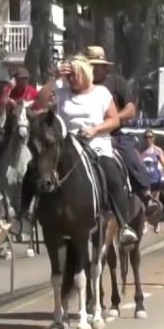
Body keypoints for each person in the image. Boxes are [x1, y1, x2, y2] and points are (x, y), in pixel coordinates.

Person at [32, 56, 137, 245]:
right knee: (37, 166)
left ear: (85, 74)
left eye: (75, 75)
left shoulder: (102, 93)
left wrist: (95, 130)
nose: (71, 79)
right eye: (69, 75)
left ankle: (124, 225)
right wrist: (55, 77)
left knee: (111, 172)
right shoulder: (61, 92)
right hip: (66, 143)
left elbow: (114, 119)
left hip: (96, 141)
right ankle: (26, 213)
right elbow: (39, 102)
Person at [85, 45, 160, 219]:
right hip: (83, 134)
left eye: (97, 65)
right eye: (90, 65)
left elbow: (131, 109)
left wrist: (113, 120)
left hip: (112, 135)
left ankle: (144, 193)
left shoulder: (116, 82)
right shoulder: (79, 85)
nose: (94, 69)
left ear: (105, 67)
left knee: (129, 156)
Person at [139, 130, 164, 231]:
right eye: (146, 137)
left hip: (155, 179)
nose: (148, 139)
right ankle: (145, 222)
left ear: (154, 139)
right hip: (145, 181)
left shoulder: (157, 150)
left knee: (156, 203)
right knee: (145, 202)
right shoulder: (141, 151)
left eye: (150, 137)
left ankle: (156, 222)